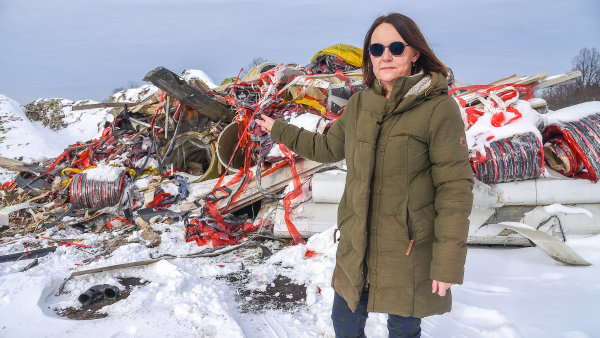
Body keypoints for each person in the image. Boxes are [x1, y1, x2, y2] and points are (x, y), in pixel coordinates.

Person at [257, 13, 474, 338]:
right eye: (376, 48)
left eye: (396, 47)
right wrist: (280, 129)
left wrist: (447, 263)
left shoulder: (438, 109)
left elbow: (455, 189)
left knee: (403, 331)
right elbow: (328, 147)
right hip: (357, 245)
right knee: (344, 325)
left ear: (415, 53)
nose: (385, 55)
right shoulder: (360, 104)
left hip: (408, 250)